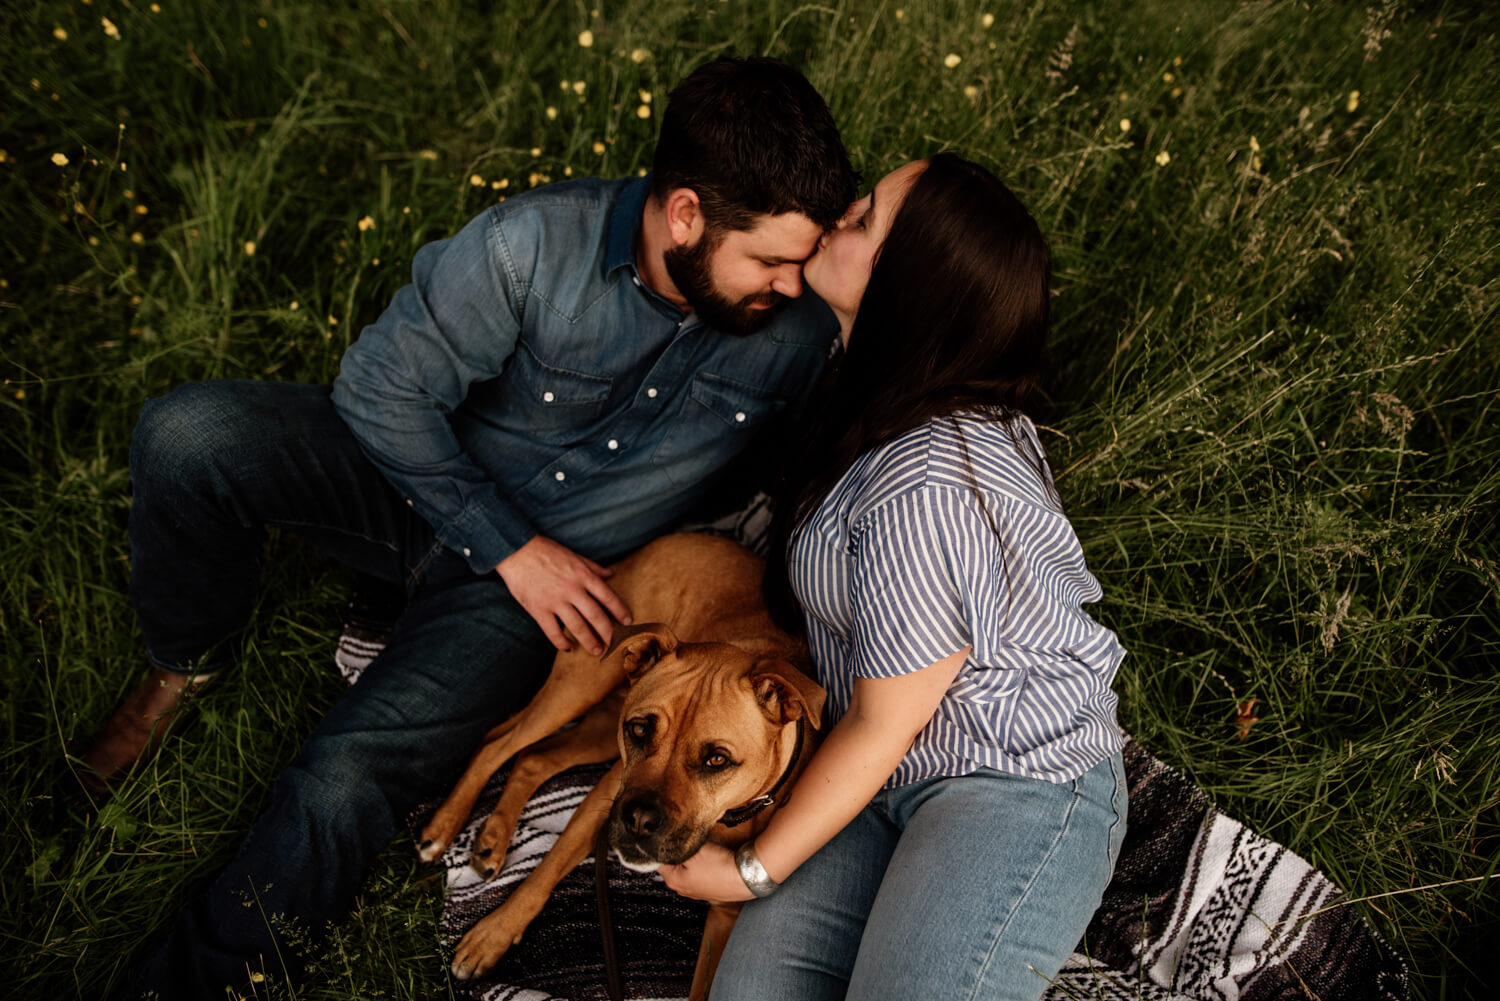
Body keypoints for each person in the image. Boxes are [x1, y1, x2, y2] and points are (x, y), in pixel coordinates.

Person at [82, 57, 857, 1000]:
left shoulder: (800, 332)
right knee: (187, 433)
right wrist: (512, 545)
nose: (791, 283)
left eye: (801, 261)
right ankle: (183, 657)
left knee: (346, 775)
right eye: (771, 260)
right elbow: (377, 389)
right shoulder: (528, 246)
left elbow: (846, 449)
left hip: (533, 604)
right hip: (410, 488)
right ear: (686, 216)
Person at [657, 154, 1128, 1000]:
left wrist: (752, 871)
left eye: (865, 219)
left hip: (1007, 782)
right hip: (879, 779)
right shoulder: (877, 404)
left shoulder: (930, 477)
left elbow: (882, 723)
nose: (839, 215)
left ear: (907, 285)